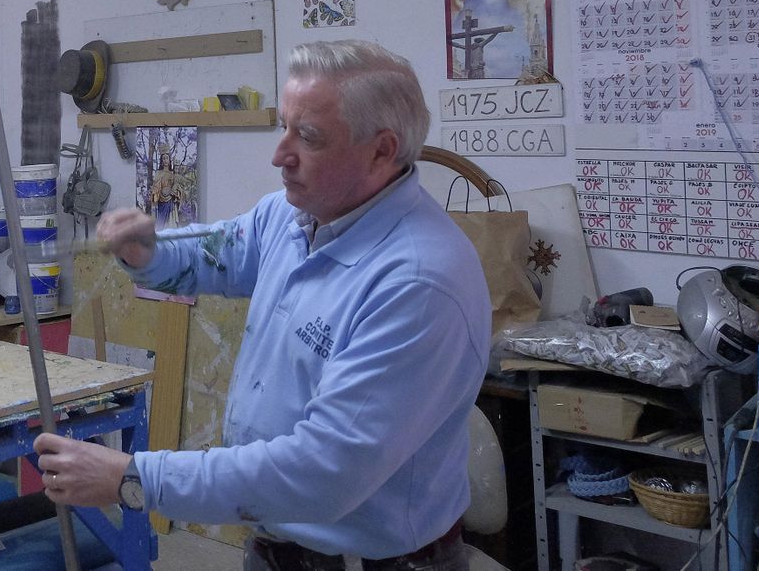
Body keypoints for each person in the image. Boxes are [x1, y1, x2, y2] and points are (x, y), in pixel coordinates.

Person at [32, 39, 490, 570]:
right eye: (285, 127)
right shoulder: (296, 216)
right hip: (280, 543)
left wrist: (132, 478)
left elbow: (323, 471)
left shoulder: (416, 283)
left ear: (382, 151)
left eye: (309, 137)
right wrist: (147, 252)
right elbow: (219, 253)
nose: (280, 155)